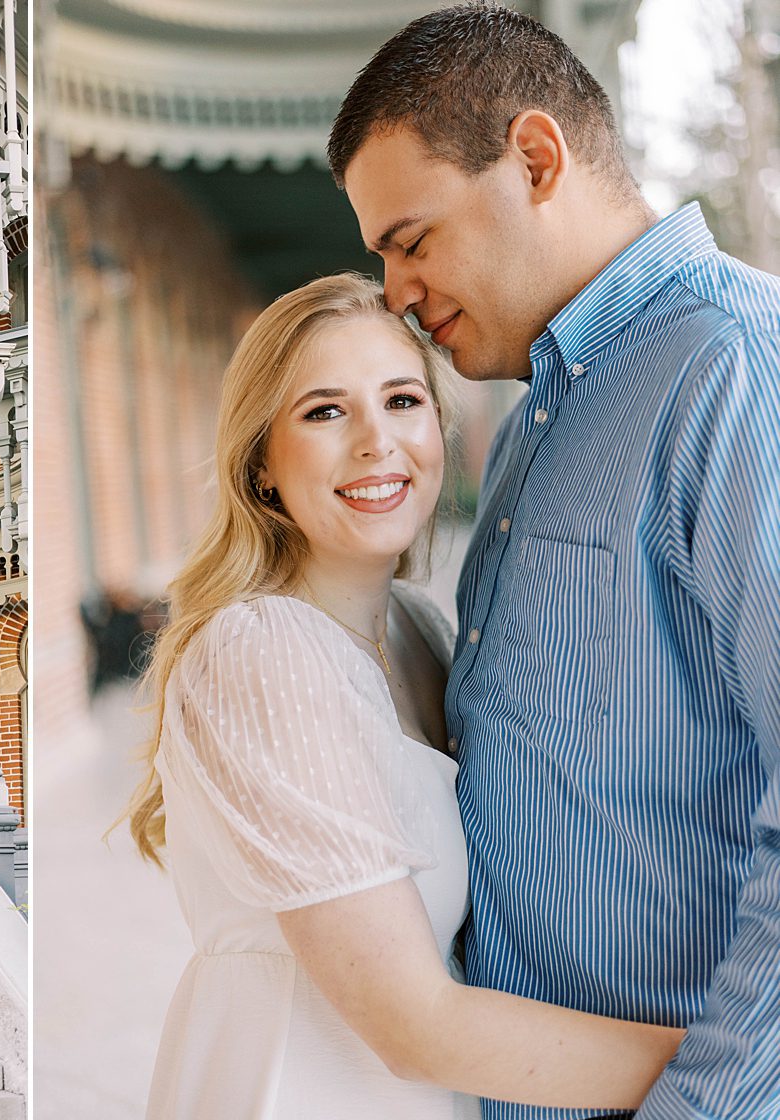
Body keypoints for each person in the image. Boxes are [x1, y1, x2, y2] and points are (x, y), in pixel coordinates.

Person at [327, 6, 780, 1118]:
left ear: (535, 158)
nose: (397, 295)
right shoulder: (544, 414)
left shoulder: (736, 373)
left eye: (412, 240)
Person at [129, 273, 683, 1119]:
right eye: (324, 412)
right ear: (263, 466)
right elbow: (412, 1026)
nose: (376, 443)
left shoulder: (421, 635)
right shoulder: (262, 651)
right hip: (307, 1090)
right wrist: (725, 1067)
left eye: (402, 400)